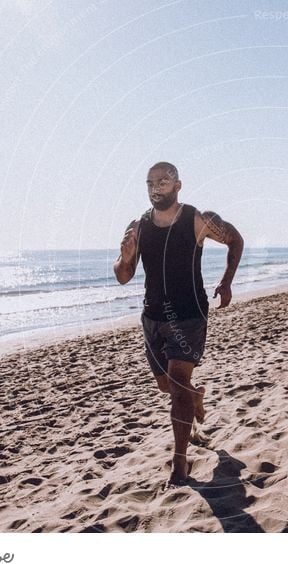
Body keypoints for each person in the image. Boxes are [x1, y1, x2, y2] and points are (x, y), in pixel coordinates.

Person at [113, 162, 244, 487]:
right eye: (150, 183)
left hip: (189, 314)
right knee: (167, 386)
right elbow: (123, 277)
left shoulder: (197, 219)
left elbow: (235, 239)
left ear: (177, 185)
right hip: (153, 315)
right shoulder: (139, 226)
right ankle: (195, 399)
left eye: (163, 181)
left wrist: (226, 282)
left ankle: (180, 462)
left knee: (179, 379)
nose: (156, 187)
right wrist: (125, 256)